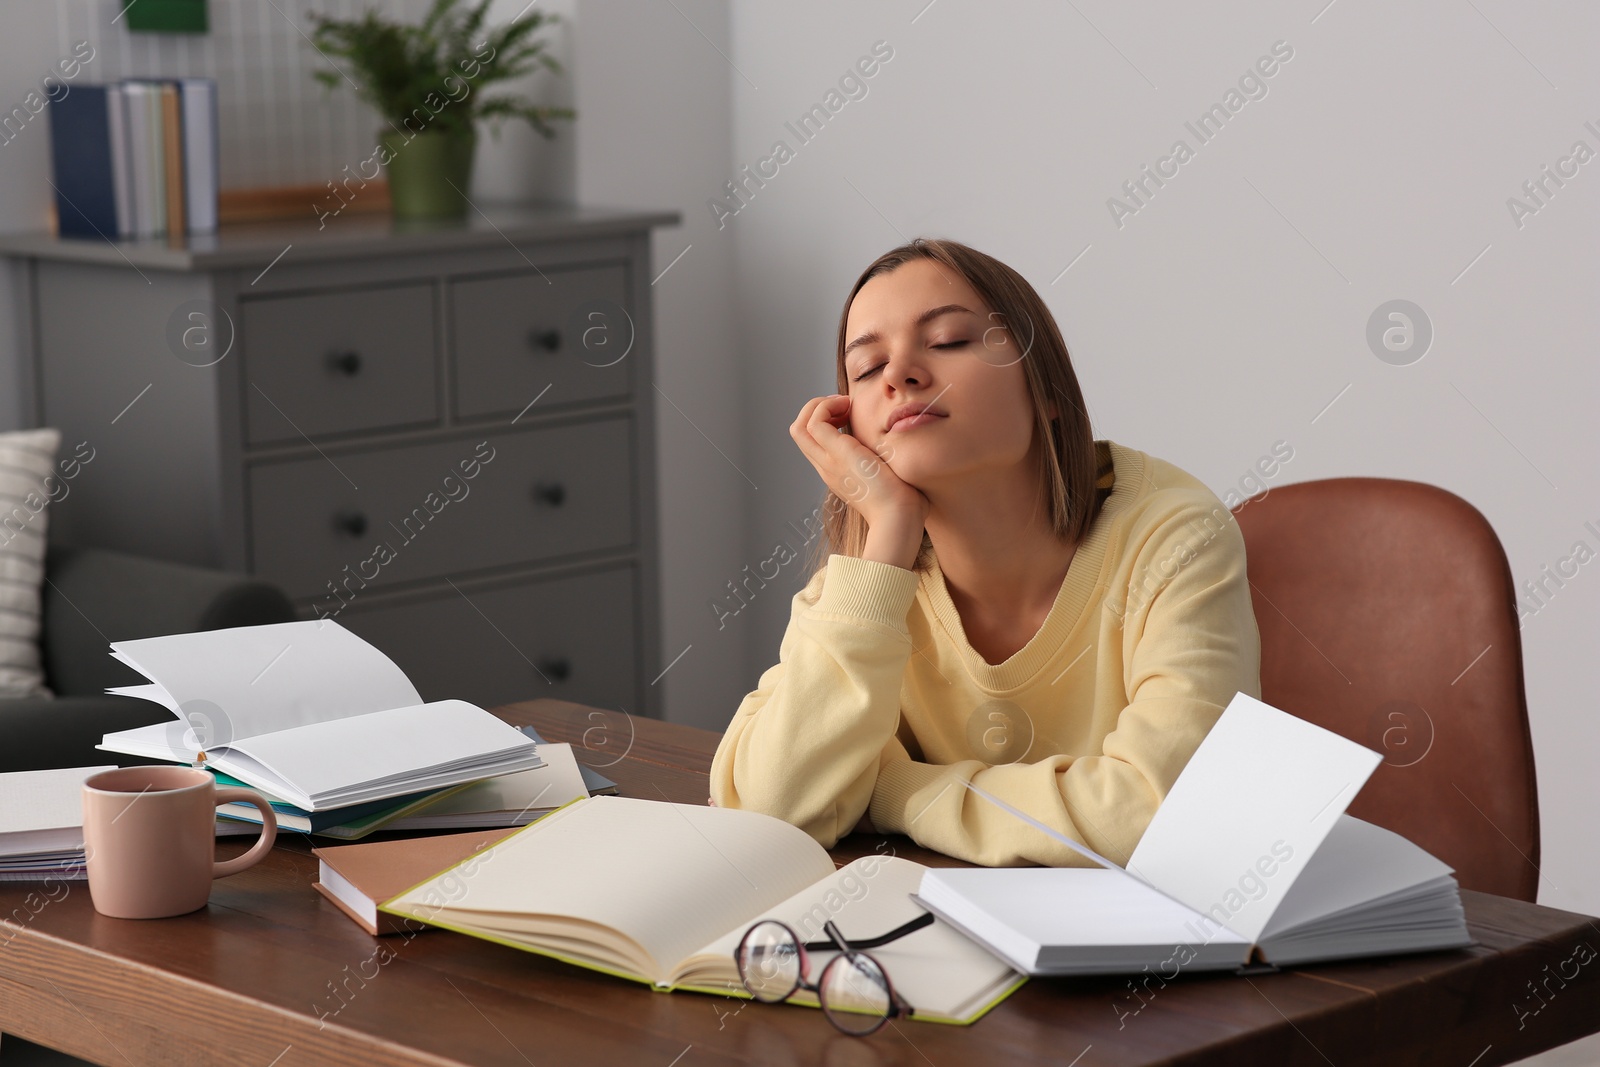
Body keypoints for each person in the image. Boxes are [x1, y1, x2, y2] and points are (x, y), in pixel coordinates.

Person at [707, 237, 1262, 867]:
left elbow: (1165, 817)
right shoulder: (871, 577)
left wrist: (889, 788)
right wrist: (887, 531)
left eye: (946, 341)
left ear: (1045, 388)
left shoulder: (1175, 535)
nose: (899, 376)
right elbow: (772, 811)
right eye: (865, 369)